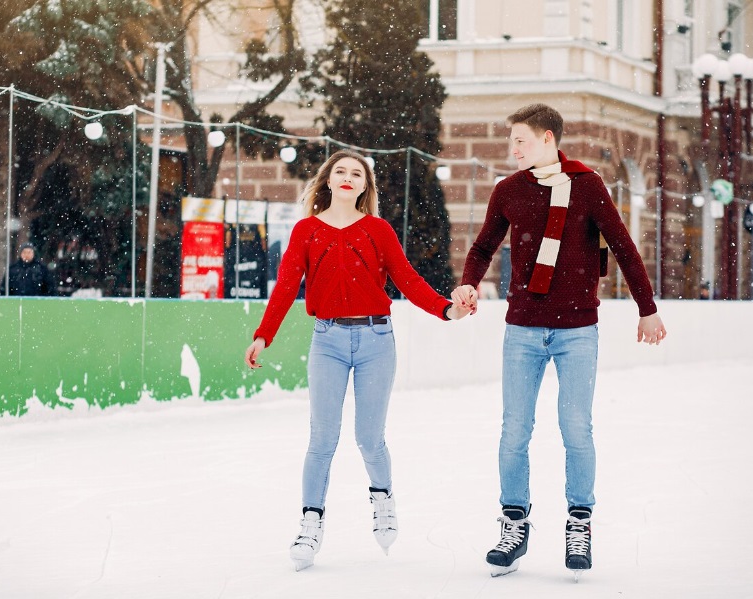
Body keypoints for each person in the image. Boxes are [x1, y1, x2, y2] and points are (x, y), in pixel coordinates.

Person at [451, 104, 666, 579]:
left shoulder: (587, 187)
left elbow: (624, 246)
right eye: (512, 142)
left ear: (548, 138)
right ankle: (514, 522)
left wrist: (646, 309)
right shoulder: (508, 190)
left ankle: (579, 522)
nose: (513, 149)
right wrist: (468, 282)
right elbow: (484, 247)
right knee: (514, 431)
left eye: (520, 141)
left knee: (576, 430)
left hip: (577, 331)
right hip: (522, 328)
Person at [244, 149, 474, 571]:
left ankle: (382, 498)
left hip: (376, 341)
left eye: (356, 174)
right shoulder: (306, 231)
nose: (348, 178)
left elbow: (406, 278)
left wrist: (447, 309)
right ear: (328, 181)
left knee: (369, 438)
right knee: (322, 439)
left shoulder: (377, 229)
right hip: (327, 341)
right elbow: (285, 286)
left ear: (365, 186)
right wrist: (264, 335)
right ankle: (310, 522)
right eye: (340, 172)